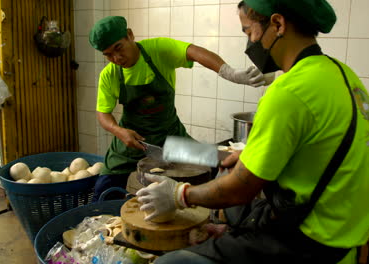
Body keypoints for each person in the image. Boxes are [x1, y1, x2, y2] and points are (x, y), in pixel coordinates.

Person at [136, 0, 369, 263]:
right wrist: (247, 159)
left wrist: (180, 195)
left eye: (248, 31)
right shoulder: (341, 74)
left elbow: (237, 191)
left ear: (277, 24)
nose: (250, 44)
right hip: (342, 242)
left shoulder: (289, 92)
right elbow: (315, 153)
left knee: (168, 262)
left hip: (306, 245)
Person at [88, 16, 266, 202]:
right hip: (131, 144)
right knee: (102, 192)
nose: (116, 58)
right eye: (108, 55)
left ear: (130, 35)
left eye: (118, 48)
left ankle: (214, 219)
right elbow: (103, 114)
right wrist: (119, 131)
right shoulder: (109, 75)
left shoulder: (157, 50)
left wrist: (229, 73)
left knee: (217, 163)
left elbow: (194, 52)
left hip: (171, 139)